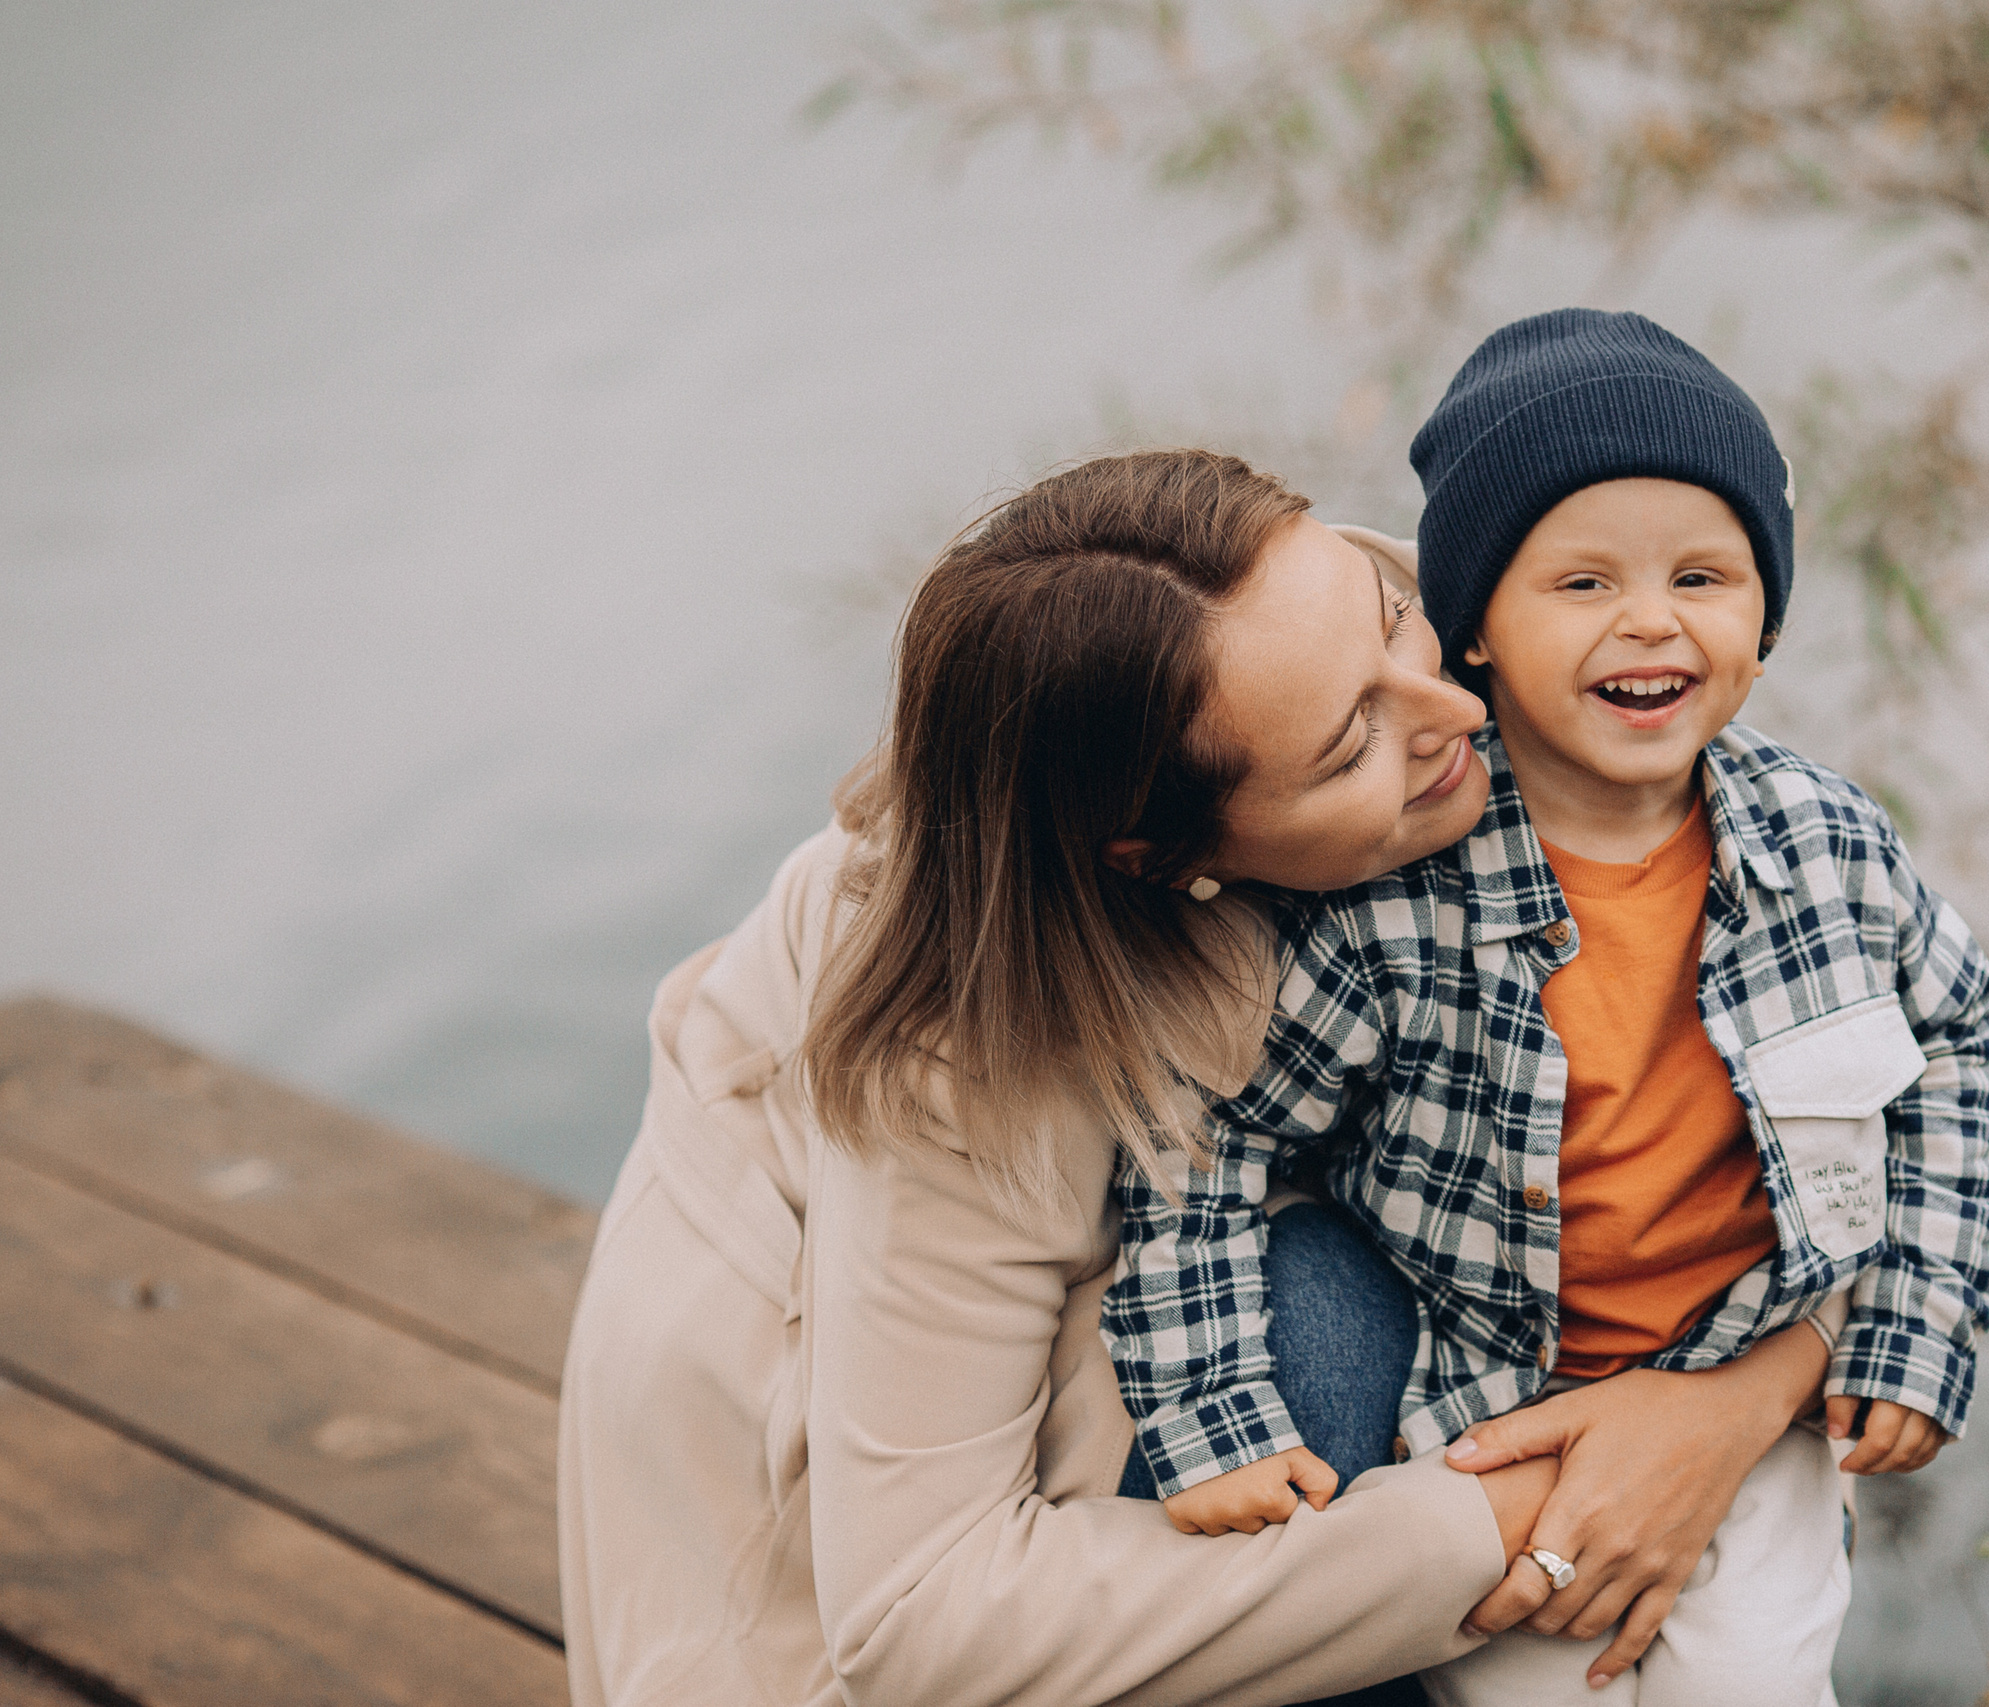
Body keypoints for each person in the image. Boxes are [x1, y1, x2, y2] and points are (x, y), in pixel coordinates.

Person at [556, 447, 1837, 1707]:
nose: (1452, 712)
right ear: (1165, 856)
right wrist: (1523, 1514)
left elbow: (1844, 1054)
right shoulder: (963, 1058)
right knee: (1318, 1328)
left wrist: (1732, 1403)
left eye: (1389, 617)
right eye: (1349, 750)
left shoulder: (1474, 625)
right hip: (819, 1589)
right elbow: (915, 1624)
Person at [1106, 313, 1989, 1702]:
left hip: (1752, 1365)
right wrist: (1209, 1403)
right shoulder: (1391, 907)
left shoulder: (1831, 844)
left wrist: (1917, 1312)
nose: (1650, 619)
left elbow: (1955, 1042)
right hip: (1489, 1401)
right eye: (1582, 580)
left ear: (1762, 623)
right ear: (1473, 630)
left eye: (1702, 575)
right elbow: (1203, 1143)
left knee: (1757, 1685)